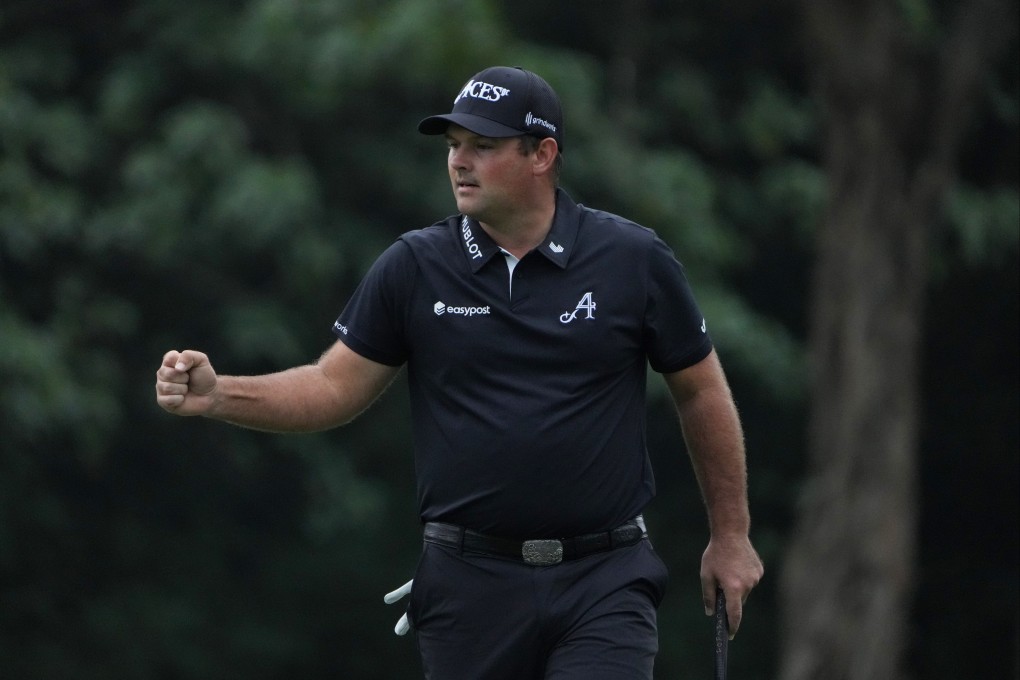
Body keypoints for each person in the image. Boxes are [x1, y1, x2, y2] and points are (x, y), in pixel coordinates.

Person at [155, 65, 763, 679]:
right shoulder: (416, 266)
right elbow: (332, 385)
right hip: (469, 586)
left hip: (604, 579)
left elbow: (700, 390)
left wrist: (730, 535)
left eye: (483, 146)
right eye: (453, 146)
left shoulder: (633, 260)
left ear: (542, 155)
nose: (459, 162)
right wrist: (219, 394)